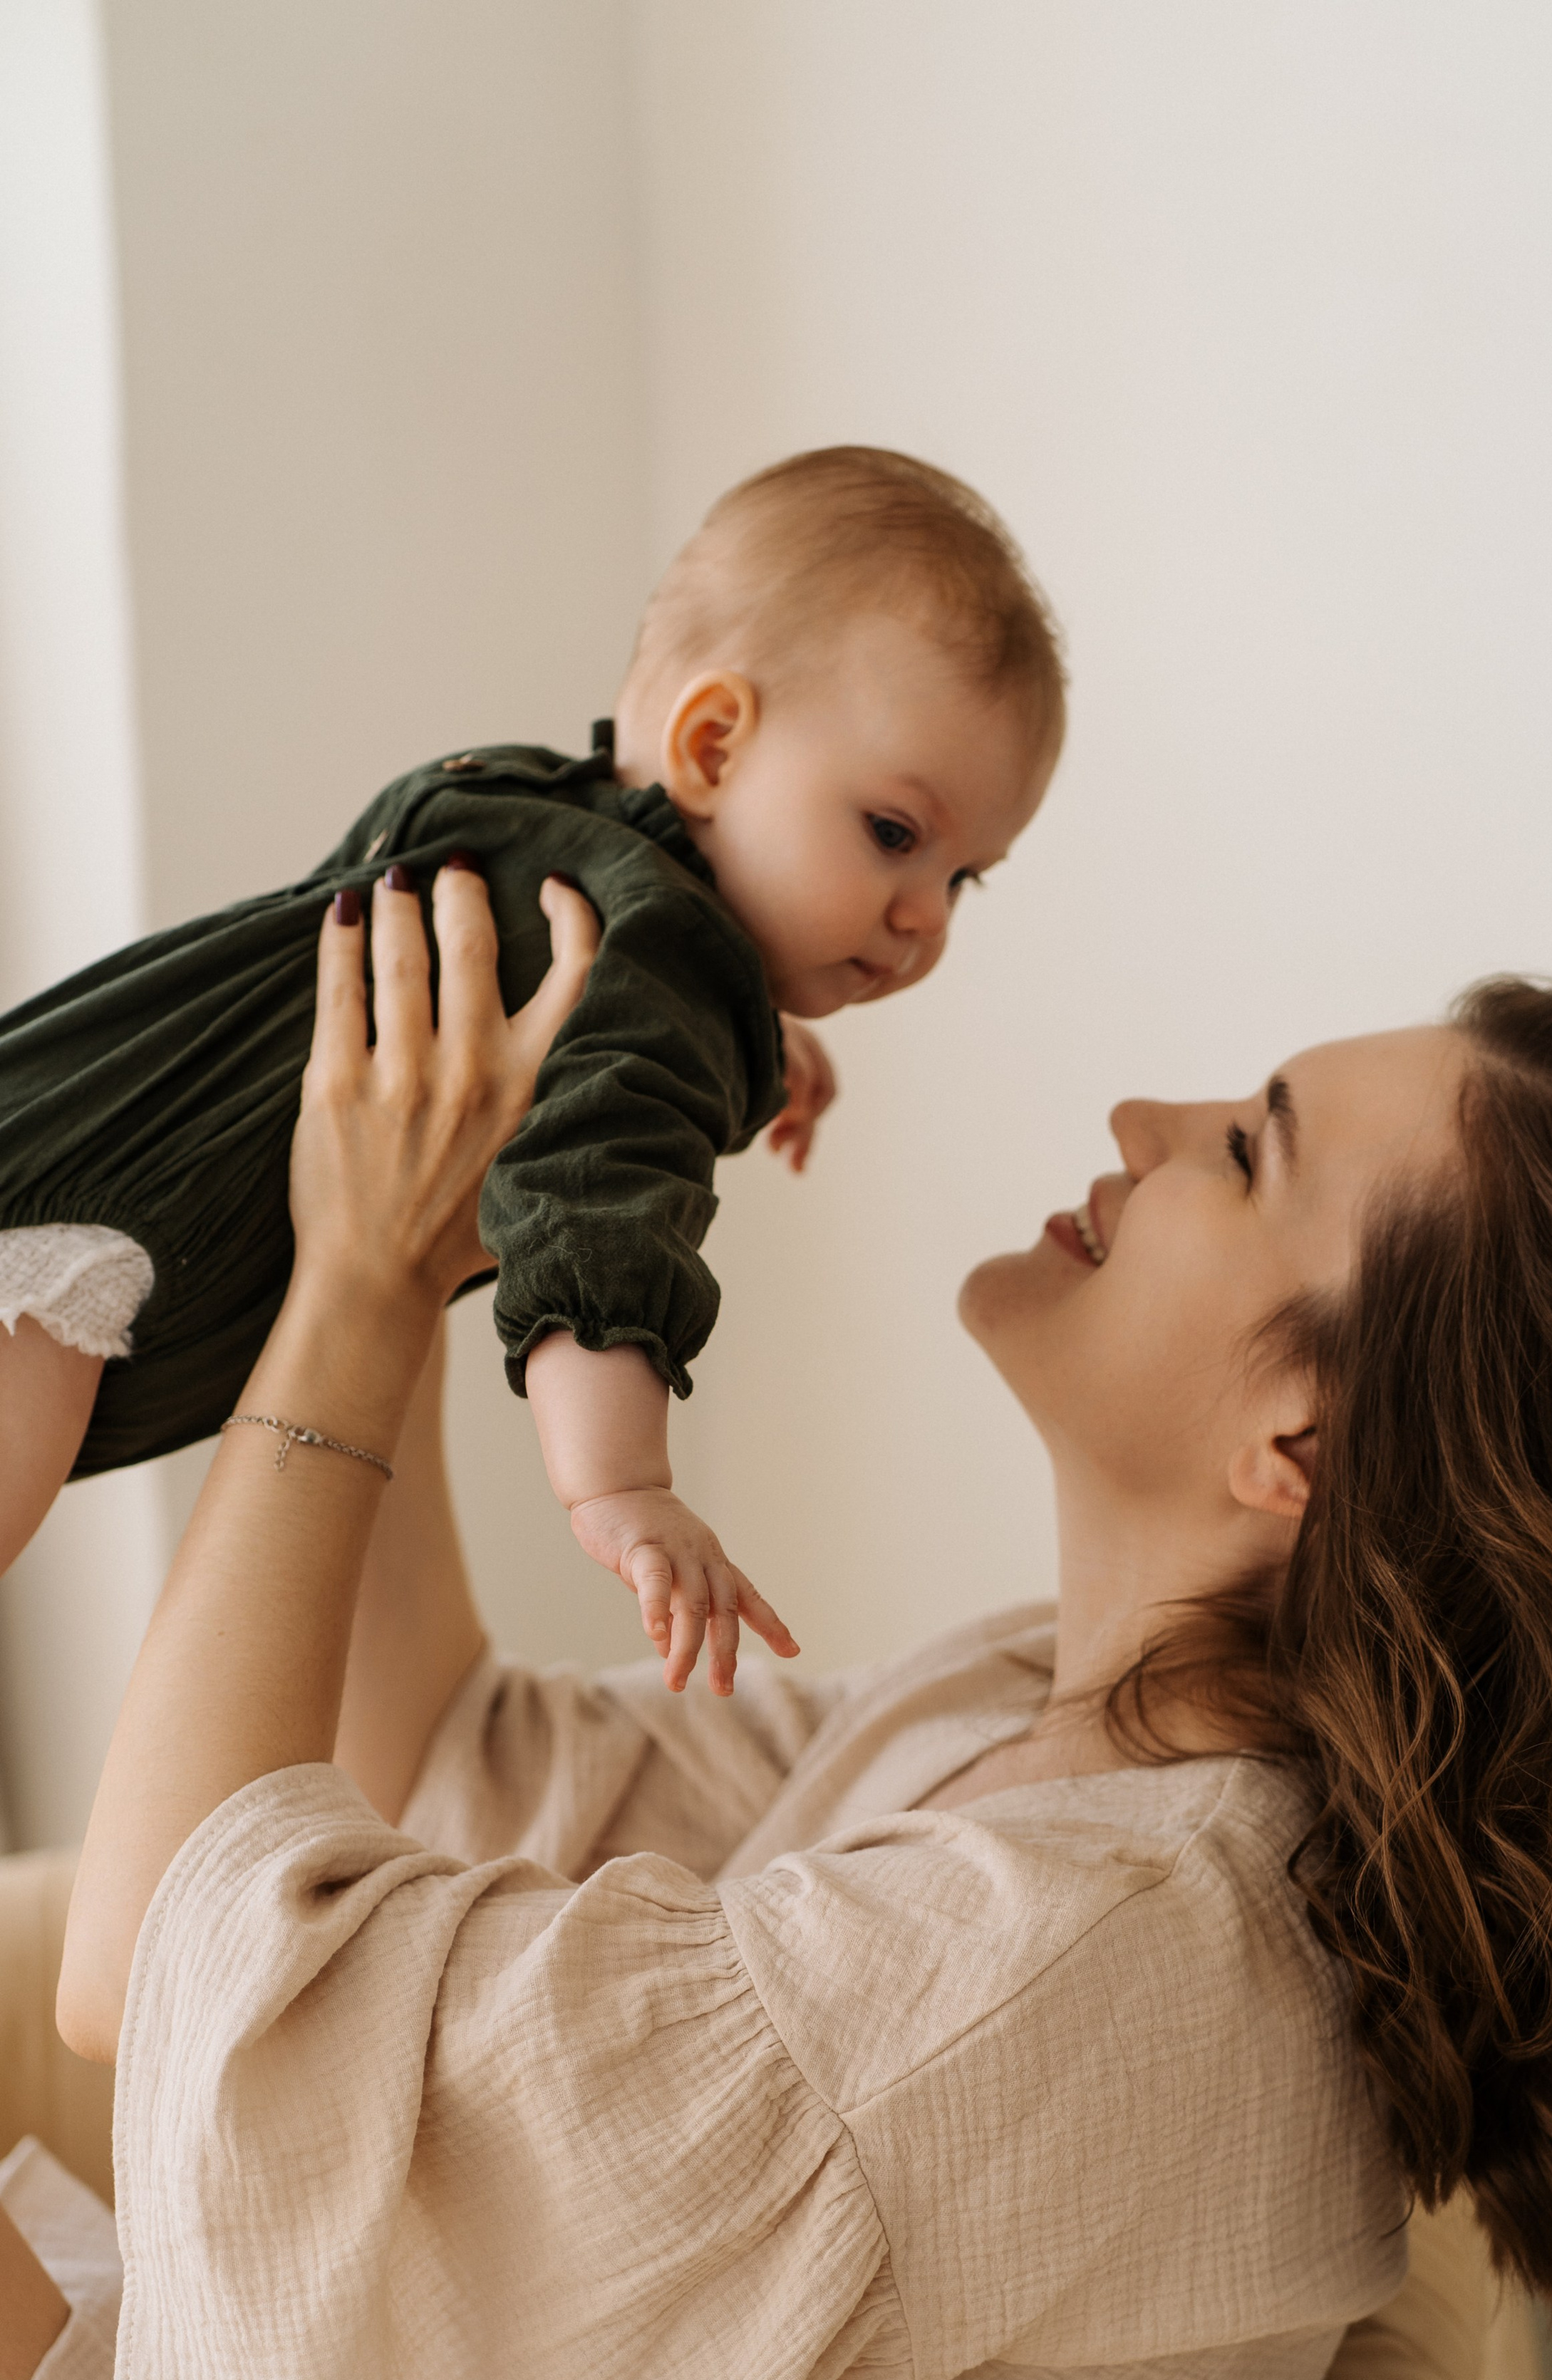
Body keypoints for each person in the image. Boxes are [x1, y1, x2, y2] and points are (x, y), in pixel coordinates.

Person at [3, 869, 1552, 2380]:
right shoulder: (1065, 1718)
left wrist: (362, 1298)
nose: (1142, 1125)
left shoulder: (1090, 1964)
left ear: (1308, 1447)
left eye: (1248, 1151)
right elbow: (455, 1747)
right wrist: (384, 1216)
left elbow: (170, 1977)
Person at [0, 447, 1062, 1691]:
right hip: (99, 1234)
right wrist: (622, 1486)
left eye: (962, 877)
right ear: (714, 744)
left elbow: (529, 995)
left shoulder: (516, 801)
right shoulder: (666, 978)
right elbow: (596, 1205)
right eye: (894, 835)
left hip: (68, 1100)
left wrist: (758, 1042)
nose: (924, 918)